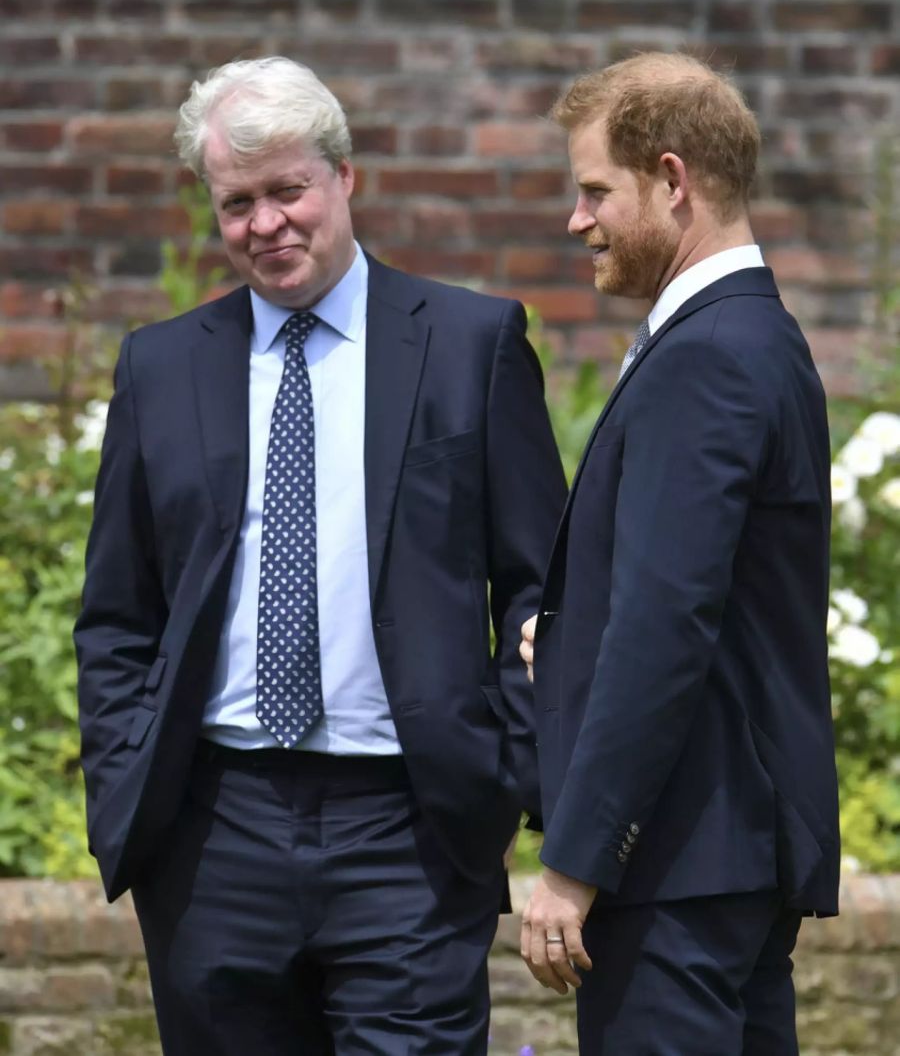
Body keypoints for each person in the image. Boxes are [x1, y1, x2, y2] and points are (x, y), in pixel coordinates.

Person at [74, 56, 566, 1056]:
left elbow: (542, 585)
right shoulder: (161, 367)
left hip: (410, 831)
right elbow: (118, 613)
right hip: (214, 837)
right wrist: (129, 783)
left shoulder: (470, 345)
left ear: (345, 178)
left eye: (287, 190)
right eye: (238, 203)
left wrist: (505, 765)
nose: (266, 225)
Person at [518, 52, 840, 1054]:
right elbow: (718, 596)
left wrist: (575, 862)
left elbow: (667, 627)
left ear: (671, 179)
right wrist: (562, 642)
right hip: (725, 861)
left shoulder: (704, 356)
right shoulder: (757, 339)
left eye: (594, 190)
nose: (578, 220)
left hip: (677, 872)